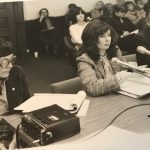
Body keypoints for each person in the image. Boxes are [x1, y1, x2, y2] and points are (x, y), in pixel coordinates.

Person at [76, 20, 132, 96]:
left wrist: (131, 70)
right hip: (100, 100)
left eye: (109, 35)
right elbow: (92, 87)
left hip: (118, 95)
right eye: (102, 36)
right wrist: (119, 77)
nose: (107, 39)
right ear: (92, 39)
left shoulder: (115, 51)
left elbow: (125, 71)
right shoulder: (84, 59)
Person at [0, 39, 31, 149]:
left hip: (15, 124)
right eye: (5, 62)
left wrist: (17, 137)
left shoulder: (17, 72)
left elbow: (28, 105)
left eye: (12, 60)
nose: (10, 66)